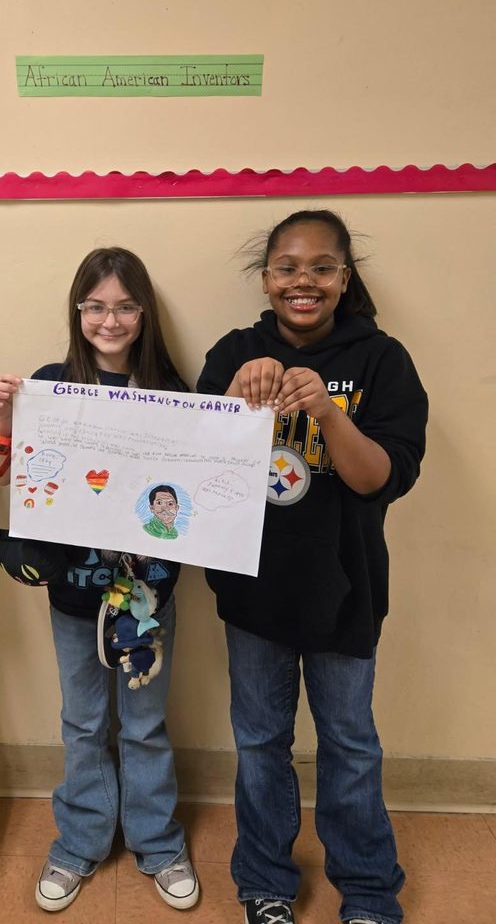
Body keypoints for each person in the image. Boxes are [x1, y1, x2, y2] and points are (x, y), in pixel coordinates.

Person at [196, 210, 427, 924]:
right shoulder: (235, 350)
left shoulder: (381, 359)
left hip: (346, 589)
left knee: (350, 742)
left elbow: (378, 477)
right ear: (265, 279)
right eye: (287, 268)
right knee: (260, 742)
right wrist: (235, 401)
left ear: (344, 278)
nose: (304, 281)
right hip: (252, 588)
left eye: (322, 268)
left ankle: (366, 889)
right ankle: (266, 882)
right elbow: (189, 479)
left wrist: (328, 413)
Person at [0, 247, 199, 913]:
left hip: (146, 593)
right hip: (74, 590)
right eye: (95, 306)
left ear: (144, 313)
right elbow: (21, 480)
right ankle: (79, 842)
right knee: (82, 721)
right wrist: (9, 422)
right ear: (78, 312)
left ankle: (158, 843)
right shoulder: (49, 385)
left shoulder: (175, 393)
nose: (110, 319)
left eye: (125, 306)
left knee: (143, 722)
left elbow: (196, 492)